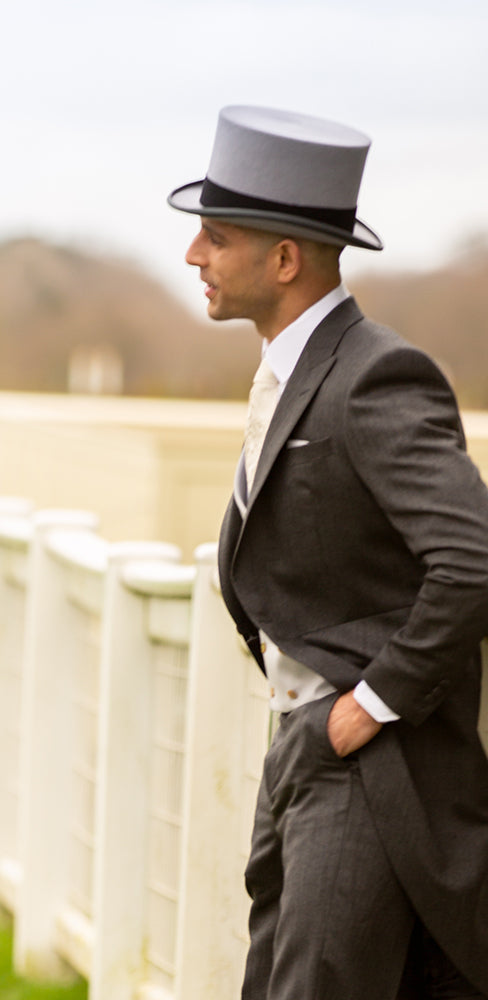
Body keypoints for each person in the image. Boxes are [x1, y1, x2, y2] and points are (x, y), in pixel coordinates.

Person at [168, 106, 488, 999]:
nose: (194, 255)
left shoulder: (376, 373)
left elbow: (473, 561)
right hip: (304, 748)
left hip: (373, 768)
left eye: (216, 237)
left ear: (284, 259)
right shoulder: (288, 369)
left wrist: (370, 704)